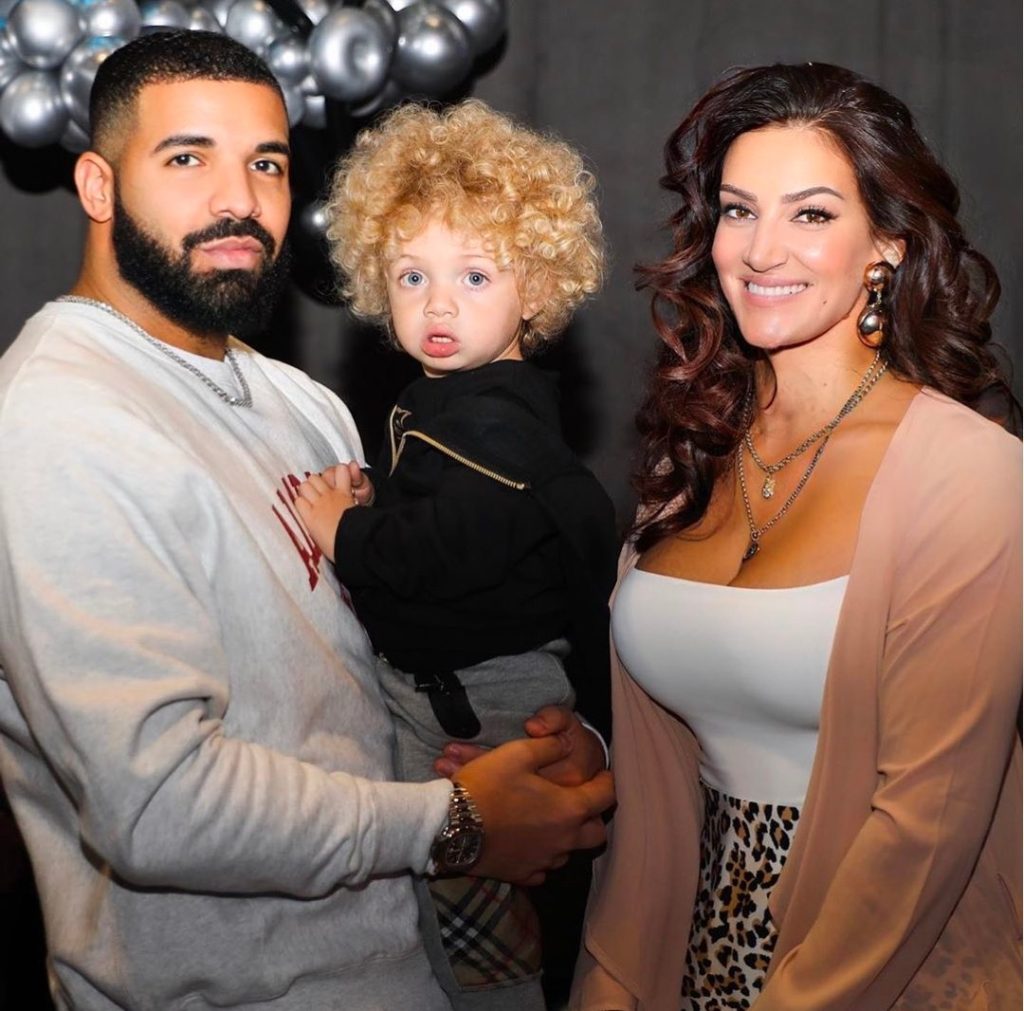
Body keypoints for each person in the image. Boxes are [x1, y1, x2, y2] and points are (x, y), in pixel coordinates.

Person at [0, 30, 614, 1011]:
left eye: (267, 163)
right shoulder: (55, 420)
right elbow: (157, 808)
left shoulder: (301, 403)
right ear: (98, 185)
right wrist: (454, 823)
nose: (238, 199)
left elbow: (395, 648)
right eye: (187, 157)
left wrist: (543, 743)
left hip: (413, 966)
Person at [571, 62, 1021, 1010]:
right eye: (739, 211)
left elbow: (926, 822)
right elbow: (659, 781)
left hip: (892, 971)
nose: (762, 249)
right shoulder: (689, 457)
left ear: (888, 245)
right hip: (686, 958)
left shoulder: (967, 471)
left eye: (811, 214)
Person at [292, 99, 618, 1009]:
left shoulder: (498, 418)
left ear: (537, 289)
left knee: (477, 947)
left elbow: (439, 552)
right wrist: (378, 494)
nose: (438, 304)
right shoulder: (449, 403)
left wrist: (343, 530)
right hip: (454, 687)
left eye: (476, 276)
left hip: (480, 705)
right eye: (410, 276)